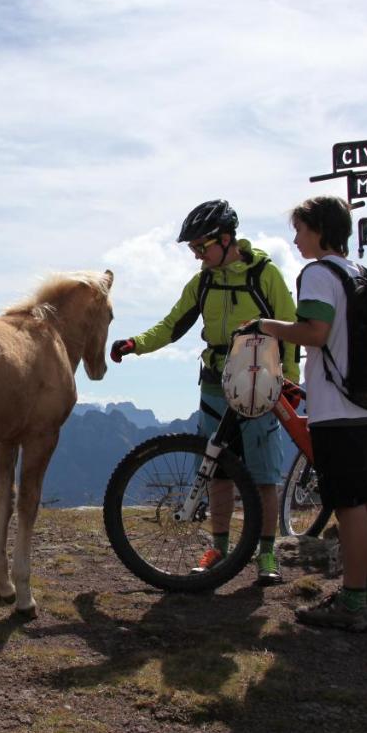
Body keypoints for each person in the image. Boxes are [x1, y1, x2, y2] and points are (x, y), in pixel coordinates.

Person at [110, 199, 298, 584]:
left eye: (202, 247)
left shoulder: (265, 275)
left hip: (260, 385)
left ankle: (267, 555)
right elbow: (172, 324)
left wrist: (290, 383)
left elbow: (291, 331)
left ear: (227, 239)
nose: (197, 256)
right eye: (193, 249)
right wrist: (136, 343)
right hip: (215, 383)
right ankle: (220, 549)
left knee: (263, 476)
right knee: (218, 473)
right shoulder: (204, 281)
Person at [252, 195, 367, 632]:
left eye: (299, 229)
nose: (295, 239)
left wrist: (264, 326)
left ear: (318, 229)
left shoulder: (318, 273)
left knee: (348, 505)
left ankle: (351, 604)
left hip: (337, 406)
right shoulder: (361, 272)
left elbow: (315, 332)